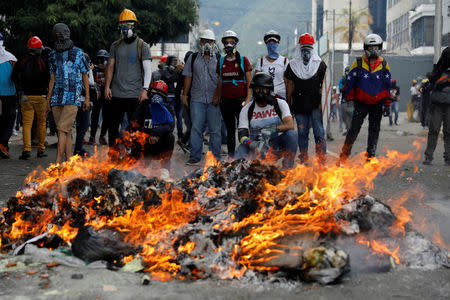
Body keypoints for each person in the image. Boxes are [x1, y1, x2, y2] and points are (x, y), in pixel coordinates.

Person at [338, 34, 391, 163]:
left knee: (374, 130)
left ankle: (370, 156)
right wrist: (348, 97)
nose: (373, 50)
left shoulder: (384, 64)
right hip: (361, 103)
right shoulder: (358, 62)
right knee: (353, 129)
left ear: (380, 47)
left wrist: (387, 104)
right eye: (370, 47)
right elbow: (350, 81)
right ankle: (344, 155)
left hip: (377, 103)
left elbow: (387, 85)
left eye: (375, 47)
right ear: (366, 47)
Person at [104, 9, 152, 147]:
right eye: (123, 24)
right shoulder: (115, 45)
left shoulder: (142, 45)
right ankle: (113, 155)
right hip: (116, 93)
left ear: (134, 25)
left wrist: (145, 90)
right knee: (113, 128)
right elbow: (110, 67)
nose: (126, 27)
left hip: (135, 95)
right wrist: (107, 86)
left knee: (135, 128)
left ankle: (134, 157)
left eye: (129, 23)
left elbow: (148, 70)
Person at [47, 23, 90, 164]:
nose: (58, 36)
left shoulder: (78, 53)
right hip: (56, 98)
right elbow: (52, 79)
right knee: (66, 131)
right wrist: (48, 100)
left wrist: (87, 98)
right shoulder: (52, 54)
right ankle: (70, 161)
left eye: (60, 33)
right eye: (56, 34)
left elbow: (85, 75)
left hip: (73, 97)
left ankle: (58, 162)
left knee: (61, 129)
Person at [237, 72, 297, 169]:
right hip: (256, 149)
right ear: (253, 90)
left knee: (292, 134)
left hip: (275, 148)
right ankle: (241, 174)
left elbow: (290, 124)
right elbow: (241, 135)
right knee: (241, 149)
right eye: (257, 89)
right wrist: (251, 143)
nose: (260, 92)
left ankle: (287, 168)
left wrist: (271, 129)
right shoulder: (246, 109)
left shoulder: (280, 103)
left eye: (264, 89)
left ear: (270, 90)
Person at [284, 33, 327, 164]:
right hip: (299, 105)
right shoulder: (292, 65)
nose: (306, 51)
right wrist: (288, 102)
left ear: (312, 48)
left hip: (315, 106)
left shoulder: (320, 65)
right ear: (299, 48)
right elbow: (289, 84)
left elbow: (324, 86)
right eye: (304, 47)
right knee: (302, 133)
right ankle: (303, 158)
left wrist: (323, 105)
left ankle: (321, 159)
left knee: (319, 132)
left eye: (309, 47)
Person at [182, 29, 221, 165]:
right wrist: (185, 95)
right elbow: (188, 76)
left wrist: (218, 95)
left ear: (214, 43)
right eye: (204, 41)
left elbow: (222, 79)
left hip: (214, 100)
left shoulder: (219, 59)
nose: (206, 44)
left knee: (215, 130)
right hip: (197, 99)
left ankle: (214, 158)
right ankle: (195, 156)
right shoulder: (193, 58)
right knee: (196, 128)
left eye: (209, 41)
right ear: (200, 42)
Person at [216, 30, 252, 159]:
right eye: (226, 42)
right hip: (226, 101)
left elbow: (249, 81)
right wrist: (218, 97)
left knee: (243, 129)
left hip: (240, 100)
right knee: (230, 130)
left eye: (231, 42)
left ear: (236, 44)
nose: (229, 44)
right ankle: (231, 157)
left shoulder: (243, 60)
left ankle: (244, 155)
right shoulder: (221, 61)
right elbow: (220, 81)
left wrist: (248, 98)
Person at [12, 36, 49, 159]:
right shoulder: (44, 60)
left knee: (26, 124)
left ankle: (26, 150)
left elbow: (13, 77)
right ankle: (41, 150)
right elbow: (50, 78)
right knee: (42, 124)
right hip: (41, 97)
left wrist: (20, 89)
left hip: (26, 97)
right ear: (38, 49)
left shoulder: (22, 60)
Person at [130, 80, 175, 177]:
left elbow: (171, 126)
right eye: (155, 93)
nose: (156, 97)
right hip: (145, 145)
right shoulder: (144, 106)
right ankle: (141, 165)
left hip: (160, 144)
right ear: (150, 93)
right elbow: (133, 124)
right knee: (134, 136)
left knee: (170, 137)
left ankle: (164, 169)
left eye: (160, 94)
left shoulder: (168, 109)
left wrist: (156, 133)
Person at [423, 47, 450, 166]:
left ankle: (447, 157)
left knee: (447, 131)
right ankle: (429, 156)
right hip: (438, 104)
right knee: (434, 130)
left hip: (446, 104)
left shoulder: (438, 69)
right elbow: (432, 82)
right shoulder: (438, 69)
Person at [255, 30, 289, 99]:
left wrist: (289, 99)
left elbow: (287, 83)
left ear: (278, 43)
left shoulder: (285, 61)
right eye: (269, 42)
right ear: (266, 44)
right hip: (265, 97)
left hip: (281, 97)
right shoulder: (261, 61)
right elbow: (257, 82)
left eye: (274, 41)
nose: (272, 43)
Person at [73, 53, 95, 157]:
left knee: (79, 127)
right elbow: (91, 83)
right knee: (83, 126)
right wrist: (90, 70)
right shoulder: (84, 71)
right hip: (82, 102)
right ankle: (78, 149)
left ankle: (77, 147)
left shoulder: (73, 69)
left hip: (75, 102)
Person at [0, 32, 18, 158]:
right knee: (9, 119)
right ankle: (3, 145)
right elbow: (17, 77)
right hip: (9, 95)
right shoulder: (11, 58)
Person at [88, 49, 109, 145]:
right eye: (100, 59)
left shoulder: (109, 69)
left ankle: (102, 136)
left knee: (106, 116)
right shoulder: (94, 69)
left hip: (106, 95)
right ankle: (92, 136)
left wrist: (106, 68)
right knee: (95, 116)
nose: (101, 61)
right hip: (96, 96)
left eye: (104, 59)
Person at [161, 55, 184, 140]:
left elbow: (182, 79)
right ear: (169, 61)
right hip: (169, 97)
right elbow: (170, 78)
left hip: (178, 97)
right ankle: (169, 135)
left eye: (176, 60)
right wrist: (177, 71)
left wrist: (180, 70)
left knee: (179, 117)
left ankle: (180, 136)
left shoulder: (178, 70)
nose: (175, 62)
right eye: (173, 60)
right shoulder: (165, 70)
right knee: (171, 118)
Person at [339, 66, 354, 136]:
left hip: (351, 101)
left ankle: (350, 131)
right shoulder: (342, 80)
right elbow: (341, 90)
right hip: (344, 100)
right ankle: (348, 129)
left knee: (350, 116)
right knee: (344, 117)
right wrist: (346, 83)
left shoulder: (354, 80)